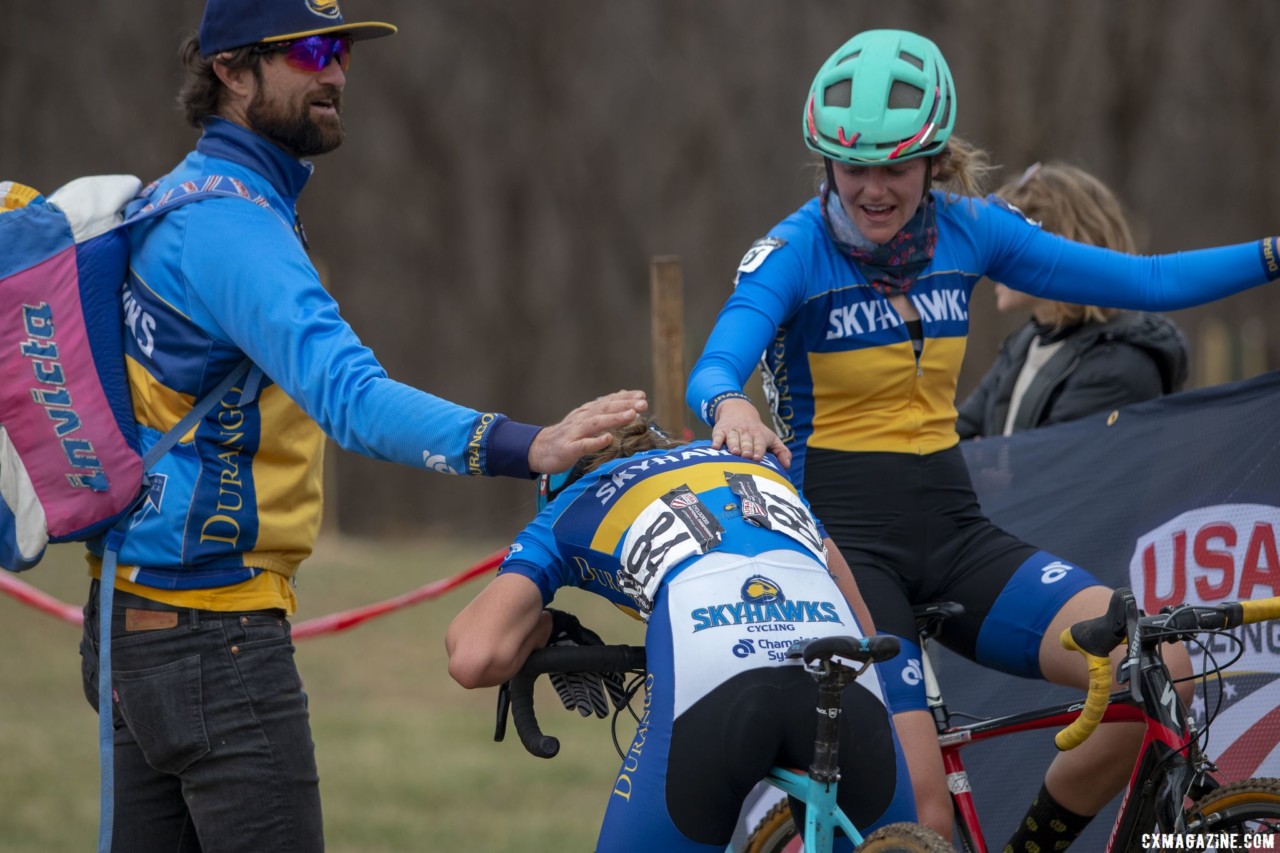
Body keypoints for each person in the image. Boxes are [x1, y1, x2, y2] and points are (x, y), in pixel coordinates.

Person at [685, 28, 1278, 851]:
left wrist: (1273, 255)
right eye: (852, 167)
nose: (871, 189)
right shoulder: (795, 251)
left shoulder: (972, 232)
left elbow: (1148, 281)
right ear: (826, 163)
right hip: (846, 552)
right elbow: (716, 364)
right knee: (922, 820)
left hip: (955, 533)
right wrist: (730, 407)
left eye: (894, 167)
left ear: (932, 160)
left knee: (1158, 671)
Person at [77, 2, 646, 850]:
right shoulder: (234, 227)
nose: (335, 71)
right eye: (307, 50)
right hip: (214, 641)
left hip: (128, 629)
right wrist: (530, 444)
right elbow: (353, 398)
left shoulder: (176, 199)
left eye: (340, 48)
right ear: (230, 70)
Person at [445, 417, 918, 852]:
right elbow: (865, 626)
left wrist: (551, 626)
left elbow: (473, 657)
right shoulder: (755, 467)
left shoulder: (571, 504)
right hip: (841, 668)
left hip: (714, 674)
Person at [957, 161, 1189, 438]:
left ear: (1055, 250)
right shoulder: (1027, 342)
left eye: (1009, 244)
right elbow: (954, 441)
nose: (991, 262)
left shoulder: (1119, 365)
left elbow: (1045, 472)